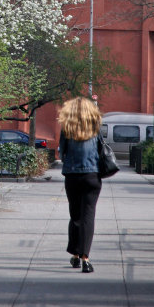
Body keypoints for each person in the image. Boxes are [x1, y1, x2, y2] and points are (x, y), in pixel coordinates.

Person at [58, 96, 102, 274]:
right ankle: (85, 258)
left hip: (72, 175)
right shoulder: (95, 127)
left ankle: (75, 256)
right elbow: (100, 149)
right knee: (88, 216)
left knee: (75, 215)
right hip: (92, 175)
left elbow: (62, 152)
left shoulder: (66, 129)